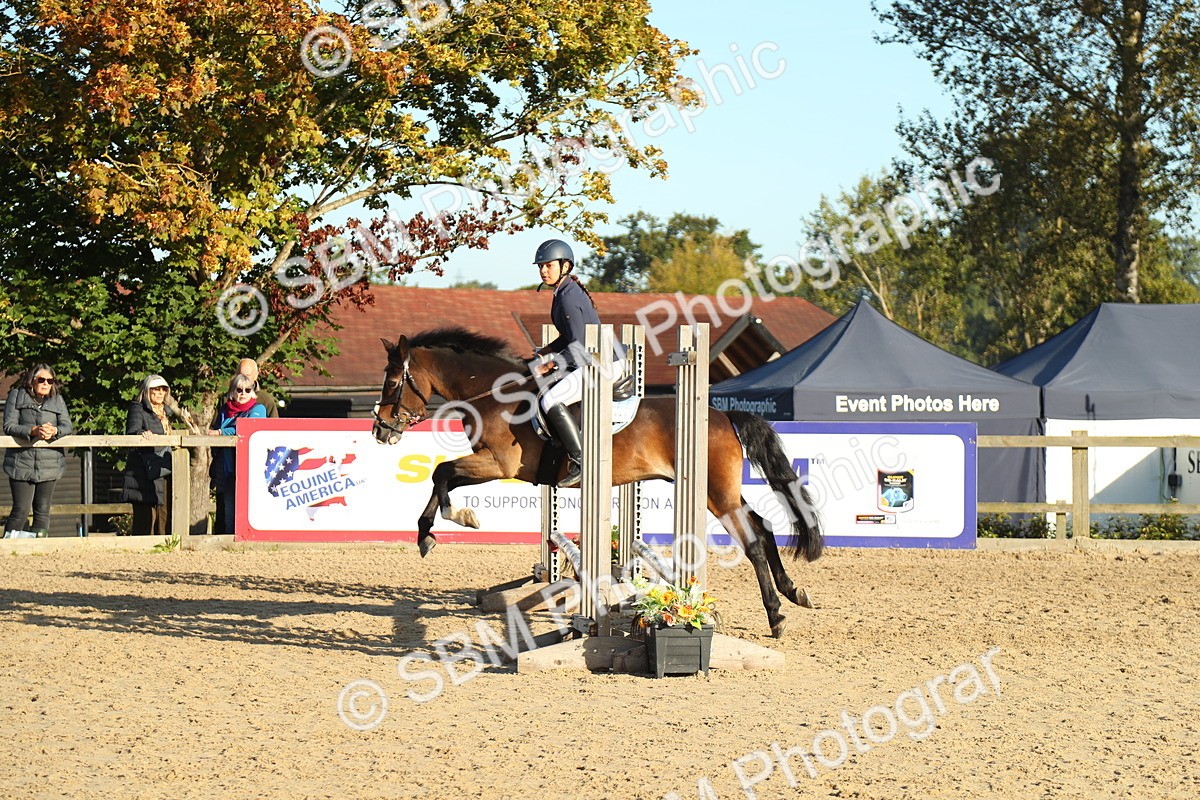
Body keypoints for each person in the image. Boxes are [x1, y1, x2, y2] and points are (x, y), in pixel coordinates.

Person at [529, 239, 627, 488]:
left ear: (565, 266)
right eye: (540, 266)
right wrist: (546, 352)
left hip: (601, 363)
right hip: (594, 358)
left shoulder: (568, 297)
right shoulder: (564, 291)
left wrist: (551, 365)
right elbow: (569, 337)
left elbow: (580, 345)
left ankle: (581, 460)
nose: (543, 270)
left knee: (550, 400)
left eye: (548, 265)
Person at [3, 364, 73, 537]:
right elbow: (9, 425)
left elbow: (67, 425)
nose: (46, 383)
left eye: (50, 381)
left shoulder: (57, 399)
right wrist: (32, 431)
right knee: (21, 508)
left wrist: (54, 431)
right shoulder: (16, 395)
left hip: (49, 462)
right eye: (41, 379)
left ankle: (38, 549)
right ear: (32, 380)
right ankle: (9, 547)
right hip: (21, 461)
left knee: (42, 510)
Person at [121, 375, 193, 536]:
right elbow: (132, 430)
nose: (160, 393)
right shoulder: (138, 407)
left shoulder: (167, 412)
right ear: (147, 390)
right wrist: (142, 433)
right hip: (144, 469)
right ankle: (141, 549)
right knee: (145, 515)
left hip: (164, 466)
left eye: (163, 389)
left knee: (165, 511)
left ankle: (165, 546)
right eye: (155, 389)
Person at [207, 373, 267, 534]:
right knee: (229, 513)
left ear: (253, 391)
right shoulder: (225, 410)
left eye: (248, 390)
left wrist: (220, 432)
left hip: (249, 469)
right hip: (227, 468)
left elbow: (247, 427)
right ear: (232, 391)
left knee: (249, 511)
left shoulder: (258, 409)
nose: (243, 393)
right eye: (239, 389)